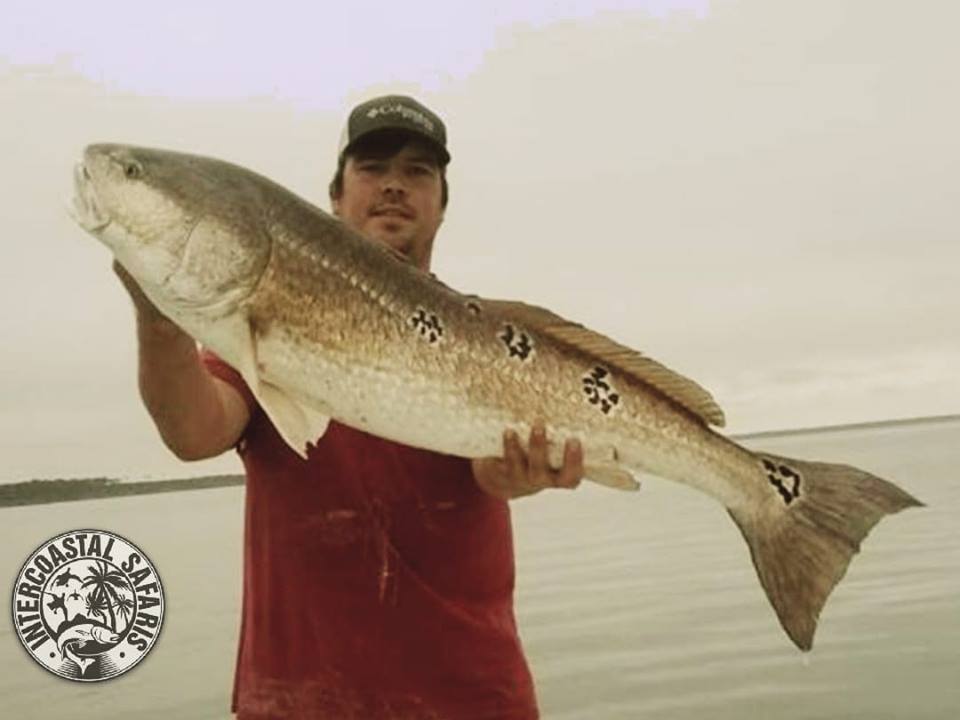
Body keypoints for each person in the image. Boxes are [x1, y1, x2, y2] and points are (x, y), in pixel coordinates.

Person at [115, 94, 585, 719]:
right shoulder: (259, 317)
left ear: (442, 204)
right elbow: (195, 433)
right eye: (372, 168)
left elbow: (487, 471)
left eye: (418, 172)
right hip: (296, 701)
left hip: (471, 698)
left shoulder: (489, 342)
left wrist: (516, 473)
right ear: (336, 195)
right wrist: (160, 317)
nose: (394, 185)